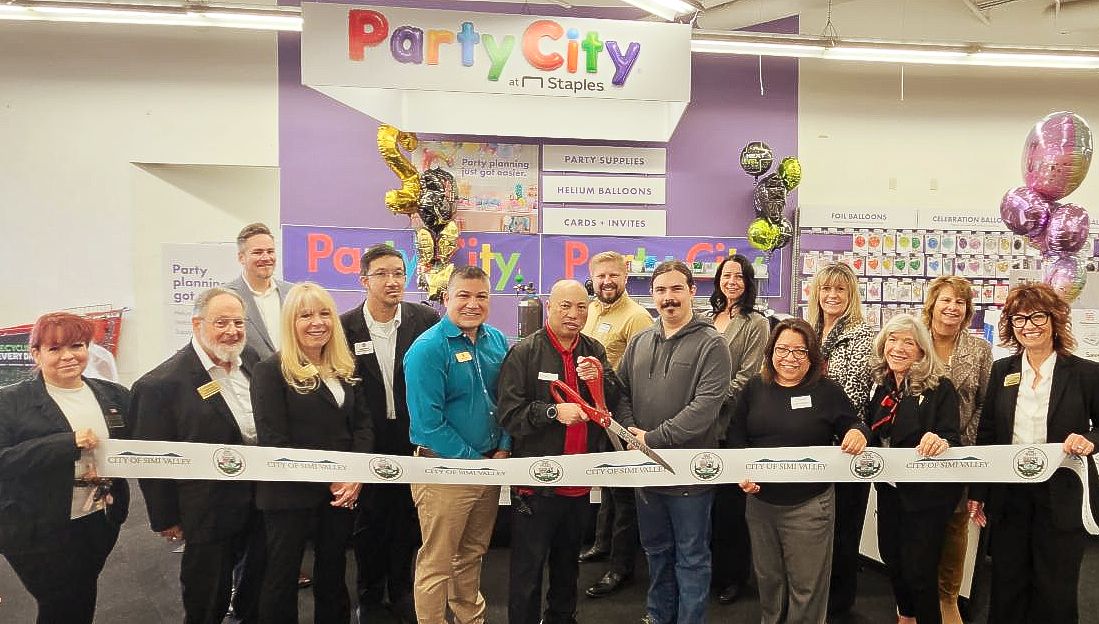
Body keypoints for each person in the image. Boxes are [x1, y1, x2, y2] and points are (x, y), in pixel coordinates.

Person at [131, 287, 266, 623]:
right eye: (221, 323)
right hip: (206, 507)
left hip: (261, 499)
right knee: (207, 596)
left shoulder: (251, 359)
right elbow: (150, 458)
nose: (232, 331)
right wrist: (165, 517)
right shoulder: (161, 385)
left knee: (257, 585)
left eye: (239, 322)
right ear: (196, 324)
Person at [968, 283, 1099, 624]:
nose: (1029, 325)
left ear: (1055, 319)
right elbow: (989, 434)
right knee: (1007, 585)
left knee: (1055, 589)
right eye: (1018, 318)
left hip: (1062, 494)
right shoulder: (1003, 371)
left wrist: (1089, 440)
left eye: (1037, 316)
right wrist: (978, 492)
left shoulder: (1085, 373)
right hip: (1010, 496)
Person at [497, 279, 622, 624]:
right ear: (550, 307)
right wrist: (552, 412)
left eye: (582, 307)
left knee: (568, 566)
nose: (574, 314)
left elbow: (610, 403)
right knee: (528, 569)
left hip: (580, 483)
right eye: (565, 306)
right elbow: (510, 415)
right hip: (536, 486)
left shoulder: (594, 350)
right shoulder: (524, 353)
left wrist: (599, 381)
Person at [616, 260, 732, 624]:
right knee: (655, 551)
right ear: (652, 295)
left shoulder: (712, 344)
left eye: (676, 289)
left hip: (689, 477)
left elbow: (705, 408)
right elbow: (621, 392)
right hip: (647, 475)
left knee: (692, 556)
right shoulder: (639, 341)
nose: (669, 298)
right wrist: (630, 430)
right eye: (661, 290)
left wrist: (651, 438)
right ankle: (658, 614)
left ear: (691, 292)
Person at [731, 318, 869, 624]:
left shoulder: (827, 391)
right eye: (782, 349)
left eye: (800, 351)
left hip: (810, 506)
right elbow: (736, 437)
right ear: (770, 352)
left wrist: (859, 433)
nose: (790, 358)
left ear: (813, 356)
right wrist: (741, 473)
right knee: (769, 582)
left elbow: (854, 424)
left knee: (807, 587)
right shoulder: (755, 388)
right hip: (761, 503)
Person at [251, 282, 371, 624]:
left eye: (323, 314)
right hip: (290, 494)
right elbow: (274, 441)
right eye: (305, 315)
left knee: (333, 574)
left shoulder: (346, 368)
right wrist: (333, 480)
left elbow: (363, 426)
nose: (316, 322)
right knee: (281, 577)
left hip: (340, 494)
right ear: (291, 323)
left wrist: (356, 475)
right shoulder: (270, 372)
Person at [0, 312, 131, 623]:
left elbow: (138, 446)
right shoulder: (9, 402)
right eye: (54, 349)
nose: (68, 357)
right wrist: (66, 444)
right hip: (35, 528)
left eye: (77, 345)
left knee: (82, 594)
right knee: (61, 603)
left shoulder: (113, 395)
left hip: (98, 519)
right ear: (36, 353)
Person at [404, 265, 512, 624]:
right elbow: (428, 425)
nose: (472, 304)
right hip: (442, 471)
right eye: (463, 295)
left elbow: (508, 400)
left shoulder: (497, 340)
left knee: (472, 554)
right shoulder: (427, 349)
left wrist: (504, 444)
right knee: (437, 562)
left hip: (488, 467)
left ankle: (470, 619)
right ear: (446, 298)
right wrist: (474, 462)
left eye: (481, 296)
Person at [341, 244, 439, 623]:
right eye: (382, 273)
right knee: (368, 523)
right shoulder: (344, 326)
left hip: (411, 438)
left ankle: (401, 591)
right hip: (367, 438)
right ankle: (368, 595)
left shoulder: (424, 319)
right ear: (364, 280)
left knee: (407, 520)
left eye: (398, 272)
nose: (392, 281)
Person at [866, 314, 962, 624]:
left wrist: (939, 440)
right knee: (892, 559)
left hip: (926, 498)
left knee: (920, 572)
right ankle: (905, 618)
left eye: (909, 342)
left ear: (922, 350)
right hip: (890, 492)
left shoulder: (939, 387)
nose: (899, 348)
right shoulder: (880, 386)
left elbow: (951, 436)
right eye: (892, 340)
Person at [579, 251, 652, 599]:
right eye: (600, 276)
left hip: (619, 416)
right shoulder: (590, 310)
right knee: (607, 486)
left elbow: (639, 374)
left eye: (614, 276)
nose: (606, 282)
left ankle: (620, 567)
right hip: (593, 415)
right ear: (591, 278)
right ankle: (602, 544)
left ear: (626, 277)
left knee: (624, 496)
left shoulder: (637, 317)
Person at [920, 276, 992, 624]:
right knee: (916, 525)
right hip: (916, 453)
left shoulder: (979, 350)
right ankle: (915, 598)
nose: (952, 308)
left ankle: (947, 598)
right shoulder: (912, 338)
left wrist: (963, 441)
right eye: (946, 300)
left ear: (967, 310)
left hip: (960, 453)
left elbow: (985, 404)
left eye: (960, 303)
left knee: (955, 523)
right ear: (932, 303)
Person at [808, 261, 875, 618]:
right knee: (813, 530)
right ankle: (814, 599)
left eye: (840, 290)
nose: (832, 296)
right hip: (810, 445)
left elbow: (853, 393)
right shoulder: (807, 332)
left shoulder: (864, 335)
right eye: (826, 289)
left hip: (848, 446)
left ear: (851, 296)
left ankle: (839, 606)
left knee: (844, 532)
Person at [708, 254, 769, 606]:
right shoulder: (706, 318)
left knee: (732, 508)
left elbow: (748, 375)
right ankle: (713, 572)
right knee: (708, 507)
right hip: (702, 426)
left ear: (748, 283)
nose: (732, 281)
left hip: (731, 423)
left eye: (739, 276)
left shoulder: (755, 323)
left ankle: (734, 578)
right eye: (726, 275)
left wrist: (709, 400)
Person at [225, 222, 293, 360]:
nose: (266, 258)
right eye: (257, 252)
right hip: (249, 379)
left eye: (270, 251)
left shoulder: (292, 293)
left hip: (292, 378)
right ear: (241, 258)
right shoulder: (225, 297)